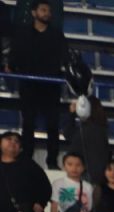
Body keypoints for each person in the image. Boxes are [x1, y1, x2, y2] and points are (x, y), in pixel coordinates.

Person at [11, 0, 64, 169]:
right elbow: (14, 55)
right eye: (43, 10)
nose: (47, 13)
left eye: (48, 10)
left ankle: (52, 161)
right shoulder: (23, 34)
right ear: (34, 13)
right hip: (29, 84)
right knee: (28, 124)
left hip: (51, 85)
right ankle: (26, 158)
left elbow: (64, 57)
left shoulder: (56, 35)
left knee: (53, 125)